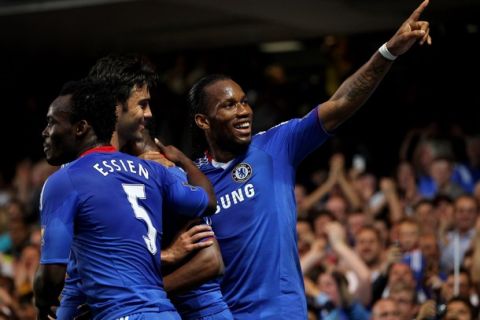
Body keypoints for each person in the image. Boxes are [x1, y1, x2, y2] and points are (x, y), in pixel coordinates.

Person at [188, 1, 431, 318]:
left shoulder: (276, 145)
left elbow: (341, 102)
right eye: (229, 106)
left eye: (245, 102)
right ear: (203, 121)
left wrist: (388, 51)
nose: (244, 112)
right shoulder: (191, 181)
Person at [33, 79, 217, 320]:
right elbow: (208, 201)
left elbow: (53, 276)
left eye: (51, 122)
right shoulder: (154, 170)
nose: (45, 132)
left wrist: (41, 304)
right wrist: (183, 160)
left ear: (80, 128)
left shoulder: (65, 180)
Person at [88, 54, 232, 319]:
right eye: (142, 105)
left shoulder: (163, 170)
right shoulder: (104, 174)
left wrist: (151, 288)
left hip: (203, 312)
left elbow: (212, 260)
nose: (147, 113)